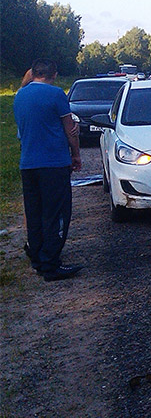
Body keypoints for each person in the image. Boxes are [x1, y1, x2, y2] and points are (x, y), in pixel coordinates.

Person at [13, 59, 84, 281]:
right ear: (54, 75)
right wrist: (76, 154)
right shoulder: (56, 95)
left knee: (34, 213)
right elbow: (69, 128)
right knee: (56, 213)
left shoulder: (19, 96)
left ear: (33, 73)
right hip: (53, 163)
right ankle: (51, 264)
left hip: (28, 164)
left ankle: (37, 258)